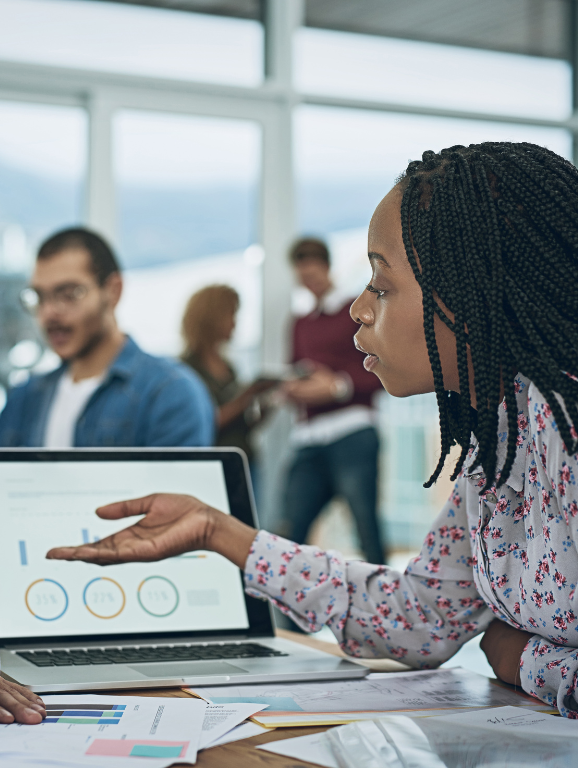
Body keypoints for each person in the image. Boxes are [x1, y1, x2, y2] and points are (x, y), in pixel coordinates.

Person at [48, 142, 578, 717]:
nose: (359, 308)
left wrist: (518, 655)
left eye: (381, 283)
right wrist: (215, 532)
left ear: (474, 289)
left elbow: (473, 638)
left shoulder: (565, 427)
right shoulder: (497, 439)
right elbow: (420, 618)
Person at [0, 227, 214, 448]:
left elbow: (178, 483)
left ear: (113, 290)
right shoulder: (24, 398)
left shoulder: (168, 393)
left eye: (68, 294)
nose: (48, 312)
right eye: (40, 297)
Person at [280, 238, 385, 564]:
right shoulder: (298, 324)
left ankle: (385, 612)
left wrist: (338, 387)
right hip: (309, 437)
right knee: (288, 533)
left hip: (352, 432)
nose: (309, 281)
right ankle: (286, 615)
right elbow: (295, 368)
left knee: (366, 530)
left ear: (327, 268)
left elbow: (383, 370)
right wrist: (293, 389)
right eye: (302, 275)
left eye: (313, 273)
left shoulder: (353, 313)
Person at [180, 285, 278, 471]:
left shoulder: (228, 367)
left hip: (243, 459)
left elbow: (239, 427)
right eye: (230, 315)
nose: (234, 324)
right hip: (213, 465)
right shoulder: (186, 371)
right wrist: (247, 394)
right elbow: (201, 422)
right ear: (212, 318)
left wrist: (264, 409)